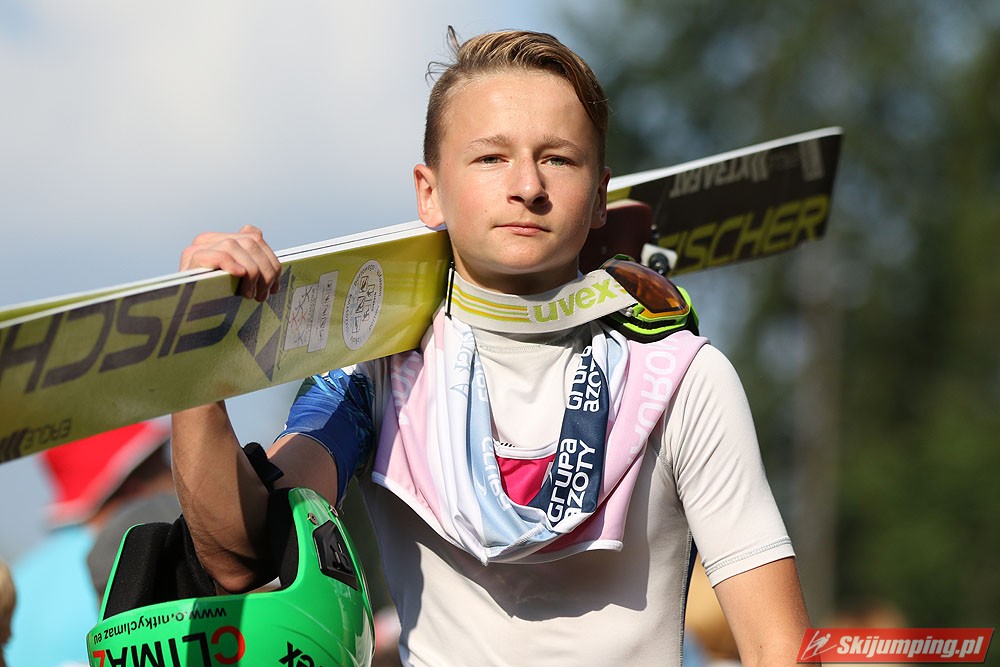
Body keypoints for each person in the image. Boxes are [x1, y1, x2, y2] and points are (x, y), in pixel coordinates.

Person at [171, 27, 812, 666]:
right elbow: (241, 555)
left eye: (558, 159)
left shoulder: (681, 377)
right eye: (491, 158)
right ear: (429, 192)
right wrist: (196, 363)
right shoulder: (374, 376)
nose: (527, 185)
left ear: (599, 198)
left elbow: (776, 648)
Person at [6, 419, 179, 667]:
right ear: (134, 488)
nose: (174, 476)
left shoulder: (20, 575)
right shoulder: (136, 566)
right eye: (164, 466)